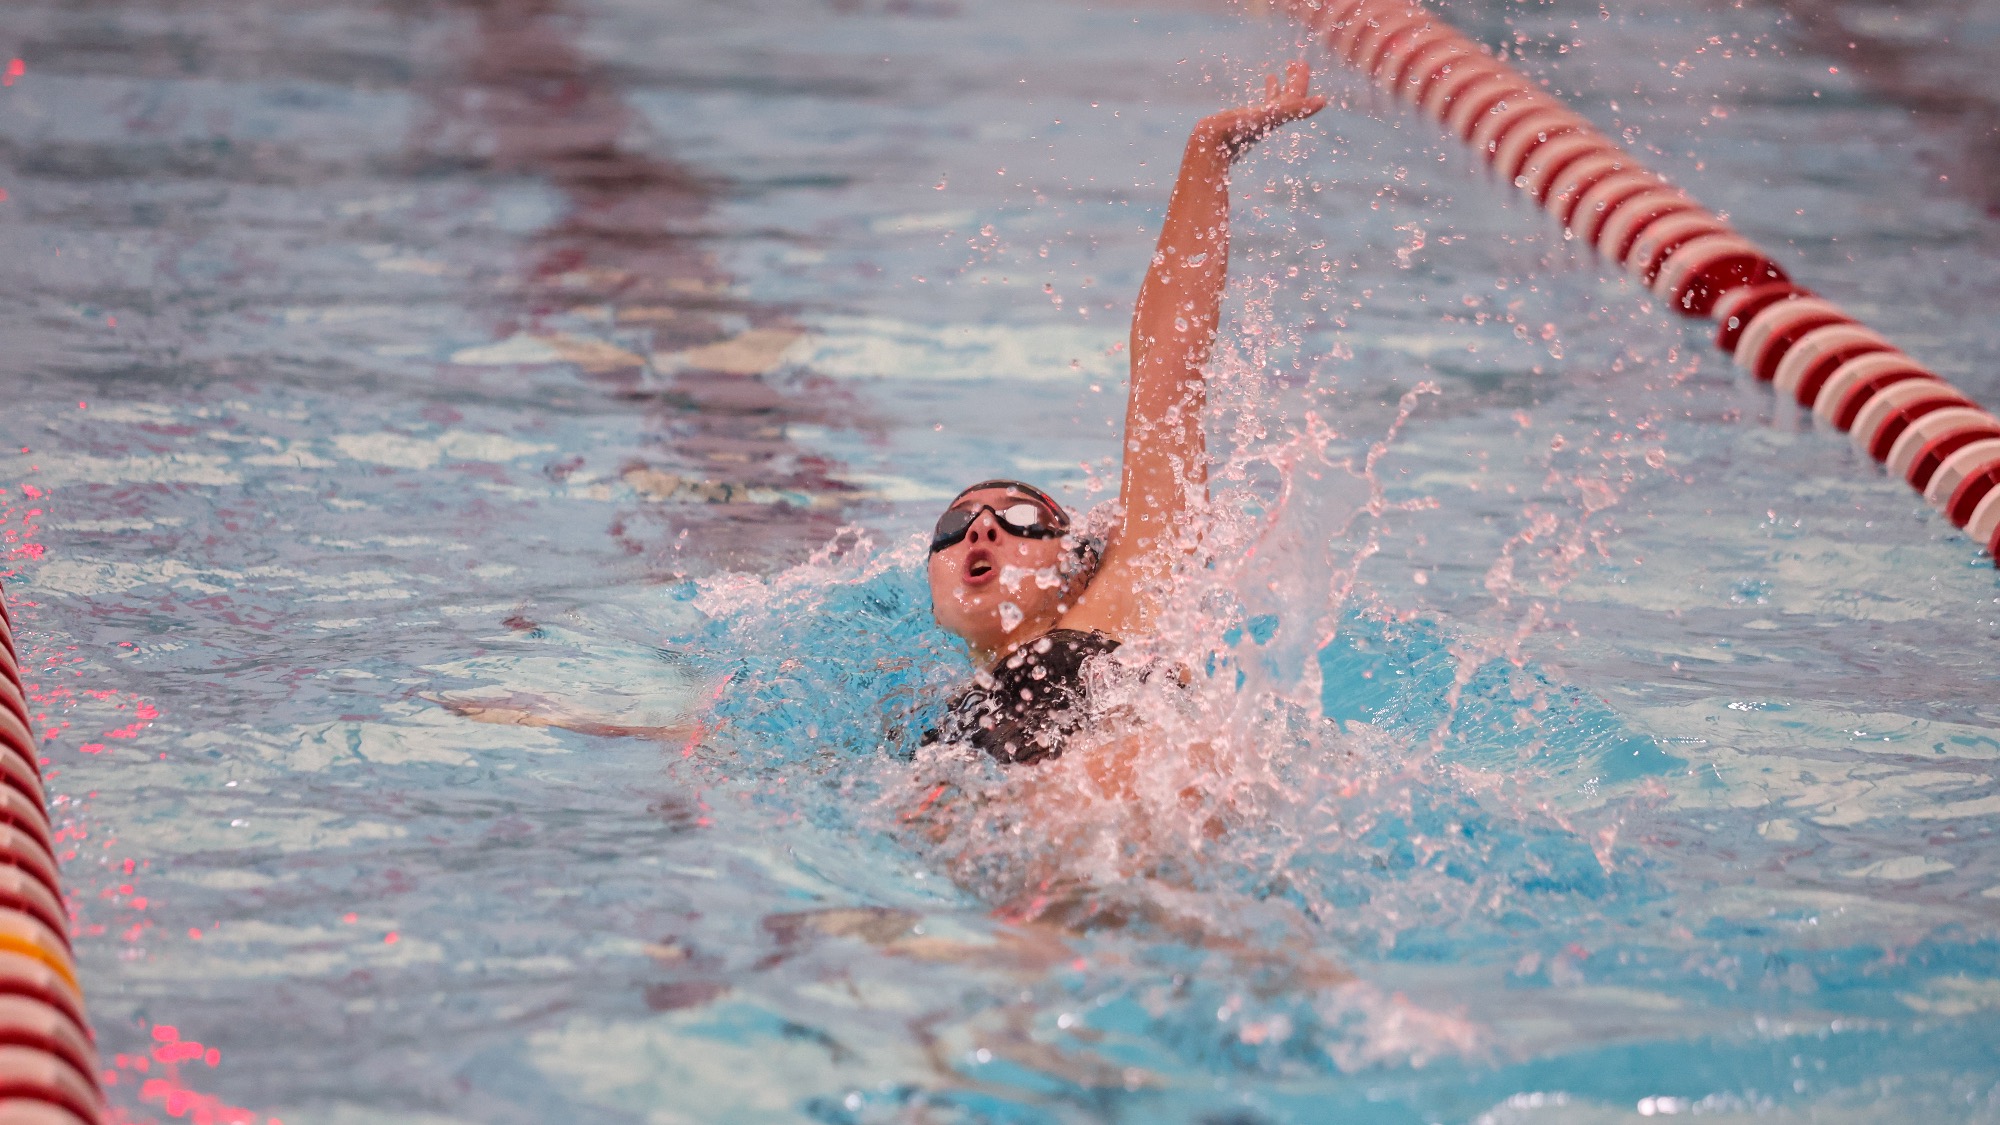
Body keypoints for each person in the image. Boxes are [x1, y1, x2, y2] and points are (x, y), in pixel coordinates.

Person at [921, 62, 1326, 768]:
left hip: (1122, 817)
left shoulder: (1119, 602)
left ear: (1079, 569)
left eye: (1023, 521)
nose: (981, 526)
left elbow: (1168, 370)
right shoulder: (936, 721)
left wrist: (1208, 155)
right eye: (954, 527)